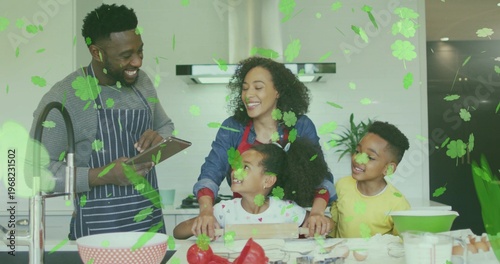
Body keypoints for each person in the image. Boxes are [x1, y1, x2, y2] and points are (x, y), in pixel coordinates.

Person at [28, 4, 174, 240]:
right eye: (126, 56)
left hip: (150, 228)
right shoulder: (65, 97)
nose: (137, 62)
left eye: (140, 52)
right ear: (97, 53)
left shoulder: (142, 83)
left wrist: (159, 139)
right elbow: (34, 172)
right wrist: (103, 175)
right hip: (97, 234)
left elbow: (165, 126)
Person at [192, 56, 336, 239]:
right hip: (245, 224)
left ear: (278, 91)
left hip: (294, 225)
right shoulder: (233, 127)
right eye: (245, 88)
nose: (248, 95)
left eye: (258, 87)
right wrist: (206, 211)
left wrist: (316, 213)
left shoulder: (300, 126)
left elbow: (322, 177)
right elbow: (210, 173)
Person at [174, 138, 333, 239]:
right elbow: (178, 232)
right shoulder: (223, 210)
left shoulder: (287, 209)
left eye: (246, 167)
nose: (236, 171)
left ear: (268, 180)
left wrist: (319, 222)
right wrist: (200, 224)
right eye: (236, 166)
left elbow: (330, 225)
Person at [329, 121, 411, 238]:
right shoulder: (342, 185)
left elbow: (400, 247)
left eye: (370, 157)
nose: (358, 159)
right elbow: (334, 228)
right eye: (357, 151)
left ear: (388, 169)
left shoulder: (399, 205)